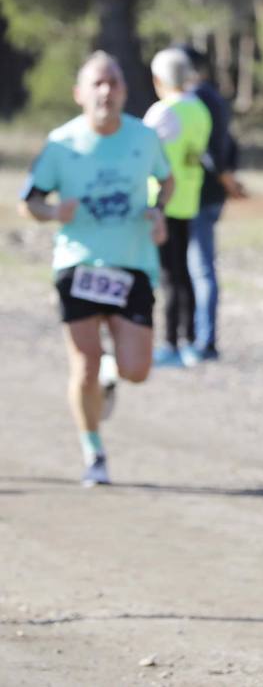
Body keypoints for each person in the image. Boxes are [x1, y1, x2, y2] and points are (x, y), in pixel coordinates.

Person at [19, 52, 173, 486]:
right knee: (83, 365)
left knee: (136, 370)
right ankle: (94, 452)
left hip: (133, 261)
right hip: (79, 263)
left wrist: (158, 210)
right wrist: (53, 212)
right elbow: (29, 201)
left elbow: (167, 180)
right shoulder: (61, 144)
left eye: (114, 83)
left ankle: (111, 374)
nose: (106, 91)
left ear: (125, 91)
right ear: (79, 93)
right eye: (97, 83)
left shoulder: (144, 138)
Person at [142, 47, 212, 367]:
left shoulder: (164, 112)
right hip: (188, 200)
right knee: (182, 274)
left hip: (162, 203)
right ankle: (189, 340)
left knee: (170, 276)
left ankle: (171, 342)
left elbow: (141, 154)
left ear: (158, 79)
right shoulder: (199, 109)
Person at [181, 44, 247, 362]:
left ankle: (203, 341)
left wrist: (225, 179)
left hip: (198, 195)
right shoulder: (213, 97)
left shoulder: (195, 100)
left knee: (199, 269)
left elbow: (212, 150)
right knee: (196, 268)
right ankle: (195, 336)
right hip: (209, 195)